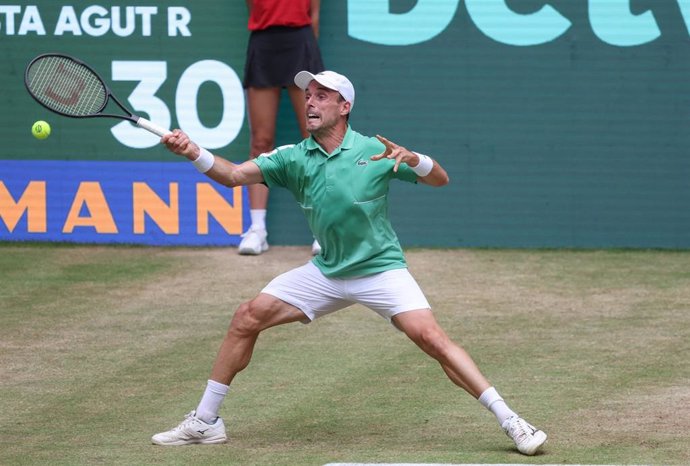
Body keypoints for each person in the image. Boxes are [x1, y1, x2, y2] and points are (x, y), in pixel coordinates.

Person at [152, 70, 548, 456]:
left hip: (381, 270)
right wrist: (193, 152)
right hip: (327, 272)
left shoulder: (375, 151)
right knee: (246, 317)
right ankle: (205, 421)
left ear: (345, 107)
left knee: (432, 340)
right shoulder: (292, 157)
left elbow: (440, 180)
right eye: (308, 95)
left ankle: (511, 419)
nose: (310, 101)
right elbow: (234, 175)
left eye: (322, 96)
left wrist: (415, 160)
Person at [240, 0, 325, 255]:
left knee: (315, 138)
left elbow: (315, 13)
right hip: (263, 42)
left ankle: (323, 230)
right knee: (261, 142)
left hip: (301, 40)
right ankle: (257, 230)